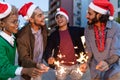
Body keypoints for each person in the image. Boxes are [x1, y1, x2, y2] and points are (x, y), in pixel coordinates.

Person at [0, 1, 46, 80]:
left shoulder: (13, 36)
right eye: (13, 22)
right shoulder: (1, 42)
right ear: (2, 24)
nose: (17, 24)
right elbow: (3, 68)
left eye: (17, 21)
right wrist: (25, 70)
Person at [43, 7, 87, 80]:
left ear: (67, 19)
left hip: (76, 65)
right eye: (57, 18)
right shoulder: (53, 35)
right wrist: (49, 57)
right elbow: (48, 49)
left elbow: (88, 31)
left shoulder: (75, 30)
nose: (59, 19)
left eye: (61, 17)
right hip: (60, 66)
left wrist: (84, 61)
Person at [84, 0, 120, 80]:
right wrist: (85, 62)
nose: (86, 16)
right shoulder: (87, 28)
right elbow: (88, 50)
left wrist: (107, 63)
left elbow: (116, 53)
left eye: (90, 13)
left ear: (99, 15)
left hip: (113, 71)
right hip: (95, 72)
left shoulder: (116, 27)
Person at [17, 2, 49, 80]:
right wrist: (36, 65)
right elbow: (23, 58)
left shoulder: (44, 28)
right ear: (31, 19)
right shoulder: (22, 35)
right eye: (39, 15)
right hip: (28, 70)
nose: (43, 17)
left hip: (39, 69)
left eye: (42, 14)